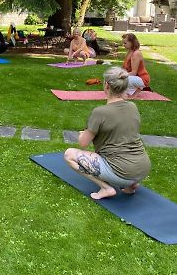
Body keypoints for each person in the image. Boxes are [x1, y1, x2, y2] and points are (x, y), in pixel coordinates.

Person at [64, 67, 151, 200]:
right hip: (143, 168)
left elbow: (83, 143)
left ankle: (106, 188)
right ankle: (131, 185)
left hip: (122, 171)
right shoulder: (133, 107)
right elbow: (123, 132)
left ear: (106, 85)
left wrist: (83, 134)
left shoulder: (100, 112)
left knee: (69, 154)